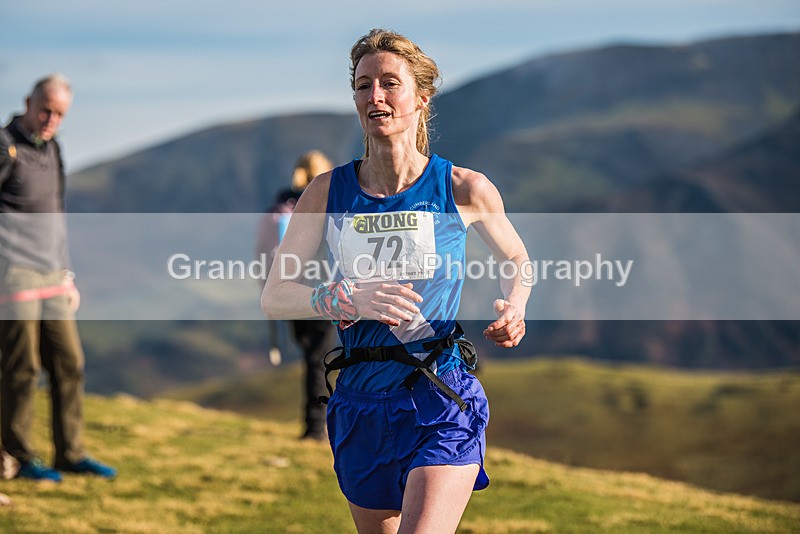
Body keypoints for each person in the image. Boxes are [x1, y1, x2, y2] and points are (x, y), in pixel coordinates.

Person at [262, 29, 530, 533]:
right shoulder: (327, 191)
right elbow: (276, 295)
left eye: (390, 83)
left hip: (438, 393)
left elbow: (518, 258)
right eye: (364, 86)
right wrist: (342, 297)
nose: (375, 97)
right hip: (360, 401)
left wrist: (516, 304)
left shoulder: (463, 188)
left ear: (422, 98)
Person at [0, 74, 117, 482]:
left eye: (60, 114)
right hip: (13, 275)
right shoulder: (4, 146)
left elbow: (56, 216)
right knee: (22, 368)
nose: (51, 119)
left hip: (52, 275)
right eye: (45, 109)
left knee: (70, 363)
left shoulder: (53, 148)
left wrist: (67, 274)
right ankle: (18, 455)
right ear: (28, 102)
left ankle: (70, 453)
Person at [256, 150, 338, 440]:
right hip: (324, 289)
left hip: (289, 290)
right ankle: (317, 426)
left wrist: (268, 289)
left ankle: (314, 423)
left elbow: (263, 251)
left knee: (311, 356)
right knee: (321, 358)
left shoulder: (280, 207)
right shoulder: (328, 202)